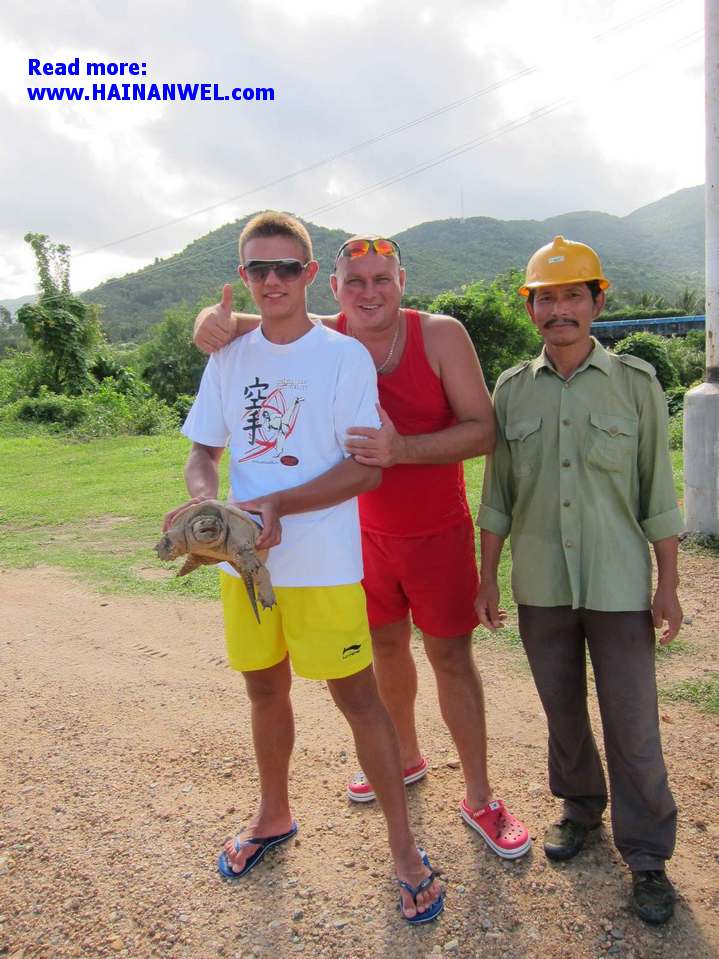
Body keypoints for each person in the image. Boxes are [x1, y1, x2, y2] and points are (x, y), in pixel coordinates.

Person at [194, 233, 531, 859]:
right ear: (334, 287)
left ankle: (480, 794)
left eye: (382, 279)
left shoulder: (438, 335)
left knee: (451, 659)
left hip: (435, 529)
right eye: (356, 282)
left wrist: (404, 449)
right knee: (382, 649)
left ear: (402, 279)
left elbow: (484, 431)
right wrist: (209, 323)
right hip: (358, 532)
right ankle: (403, 757)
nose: (369, 292)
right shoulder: (332, 331)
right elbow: (262, 311)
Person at [167, 212, 443, 923]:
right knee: (264, 691)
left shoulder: (341, 357)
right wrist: (211, 509)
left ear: (309, 275)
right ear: (244, 276)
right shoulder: (228, 355)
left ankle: (405, 850)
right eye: (257, 269)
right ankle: (272, 814)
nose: (271, 281)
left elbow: (364, 470)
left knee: (358, 700)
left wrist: (279, 505)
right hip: (242, 566)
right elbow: (203, 450)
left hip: (320, 564)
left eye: (285, 268)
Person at [475, 235, 684, 924]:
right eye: (545, 297)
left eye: (571, 295)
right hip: (539, 582)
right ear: (530, 308)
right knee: (561, 708)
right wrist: (487, 576)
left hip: (619, 584)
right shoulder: (510, 390)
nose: (558, 309)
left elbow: (657, 489)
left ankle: (648, 856)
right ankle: (579, 807)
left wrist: (667, 583)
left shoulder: (636, 384)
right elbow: (498, 492)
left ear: (597, 301)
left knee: (631, 721)